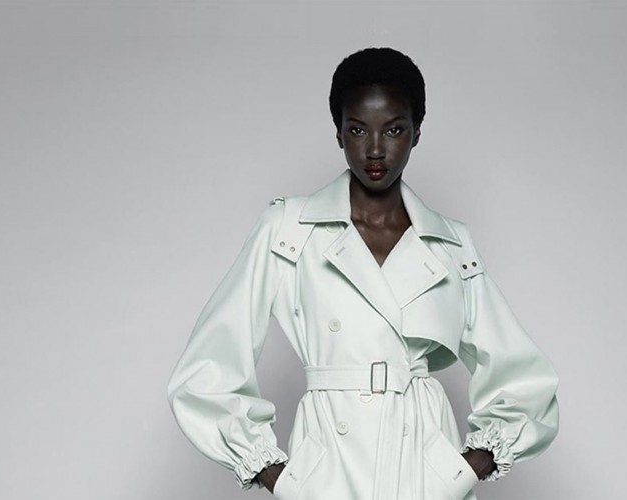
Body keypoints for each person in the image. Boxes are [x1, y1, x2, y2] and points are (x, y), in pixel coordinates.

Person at [167, 47, 559, 500]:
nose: (374, 149)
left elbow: (524, 378)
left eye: (393, 129)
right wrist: (278, 474)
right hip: (328, 471)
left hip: (425, 472)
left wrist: (464, 469)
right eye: (357, 129)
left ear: (416, 133)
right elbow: (207, 368)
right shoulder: (289, 230)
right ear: (338, 133)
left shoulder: (450, 243)